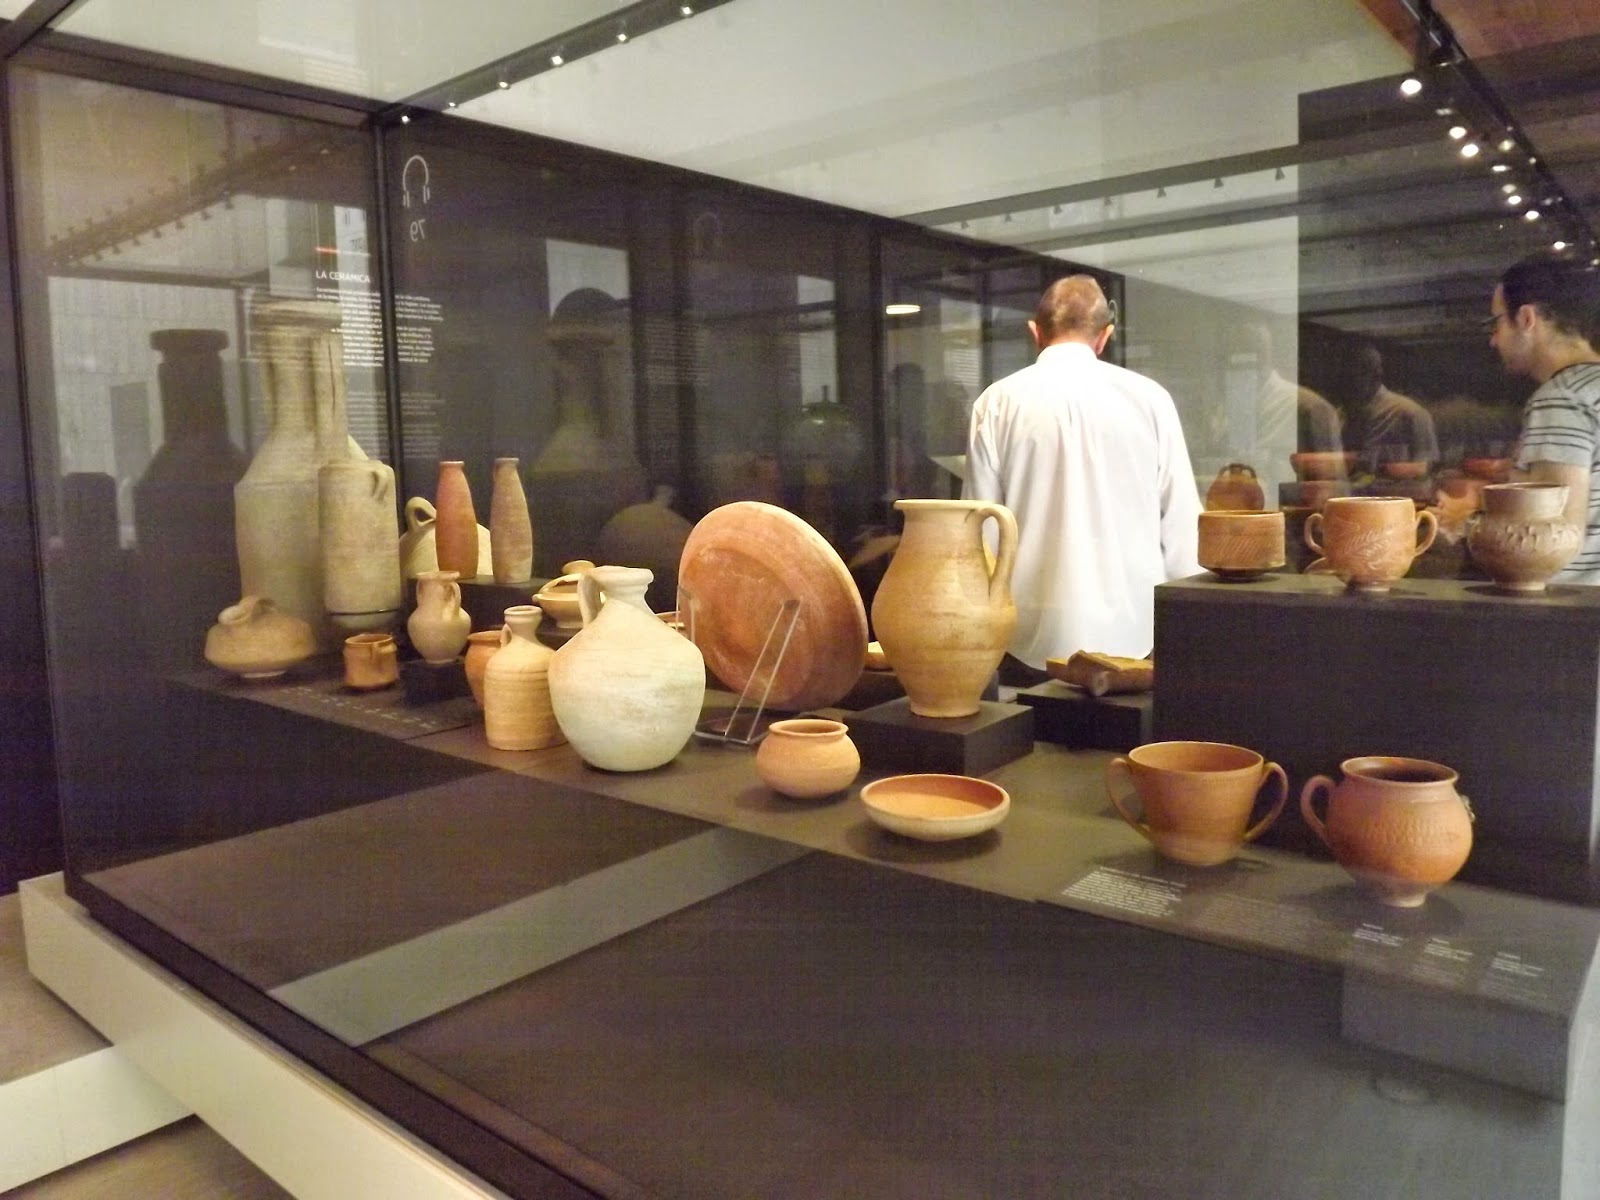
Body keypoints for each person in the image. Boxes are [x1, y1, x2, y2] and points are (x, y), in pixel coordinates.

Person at [964, 275, 1202, 682]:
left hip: (1026, 639)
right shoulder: (1150, 400)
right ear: (1104, 336)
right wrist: (1187, 630)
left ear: (1035, 333)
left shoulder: (996, 402)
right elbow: (1182, 528)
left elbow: (981, 533)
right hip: (1134, 636)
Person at [1489, 253, 1600, 582]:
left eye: (1495, 323)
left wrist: (1469, 520)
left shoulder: (1562, 400)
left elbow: (1548, 541)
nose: (1493, 339)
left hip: (1573, 607)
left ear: (1526, 318)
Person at [1345, 343, 1439, 474]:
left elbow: (1426, 467)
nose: (1350, 381)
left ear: (1377, 374)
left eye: (1358, 373)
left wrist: (1385, 469)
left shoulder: (1410, 413)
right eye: (1348, 375)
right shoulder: (1349, 417)